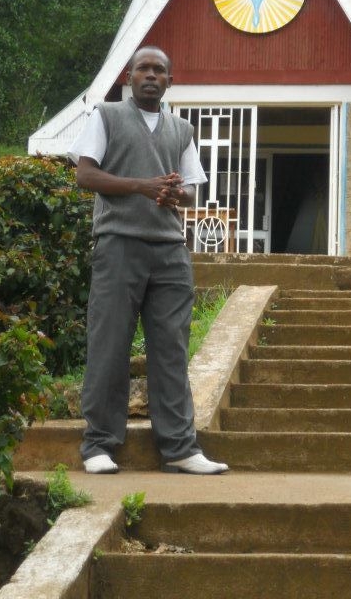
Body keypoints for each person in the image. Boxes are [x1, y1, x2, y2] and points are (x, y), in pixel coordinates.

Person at [68, 46, 228, 476]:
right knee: (110, 344)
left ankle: (179, 448)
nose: (151, 75)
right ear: (130, 77)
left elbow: (192, 189)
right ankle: (99, 444)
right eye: (144, 69)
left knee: (171, 348)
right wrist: (141, 186)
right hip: (119, 243)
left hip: (169, 250)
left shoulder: (182, 129)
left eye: (160, 70)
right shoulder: (106, 116)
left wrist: (176, 193)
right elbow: (84, 174)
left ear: (170, 81)